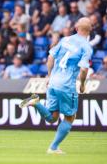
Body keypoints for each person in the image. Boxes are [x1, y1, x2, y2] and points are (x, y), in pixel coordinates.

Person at [20, 17, 93, 154]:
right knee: (70, 117)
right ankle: (53, 148)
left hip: (53, 82)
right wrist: (82, 84)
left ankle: (36, 103)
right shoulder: (86, 47)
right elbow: (84, 69)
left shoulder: (65, 40)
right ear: (90, 30)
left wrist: (48, 75)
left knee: (52, 118)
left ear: (76, 28)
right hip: (66, 85)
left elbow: (50, 57)